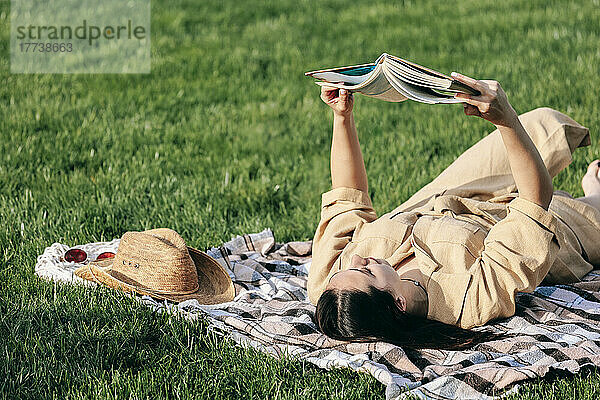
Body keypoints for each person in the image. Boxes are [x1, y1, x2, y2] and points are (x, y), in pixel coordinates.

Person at [308, 72, 598, 349]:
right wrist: (505, 119)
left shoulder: (333, 288)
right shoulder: (470, 298)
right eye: (367, 272)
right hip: (513, 218)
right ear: (399, 304)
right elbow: (535, 201)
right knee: (593, 212)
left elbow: (348, 200)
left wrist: (341, 115)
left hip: (447, 195)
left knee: (544, 123)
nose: (358, 258)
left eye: (351, 266)